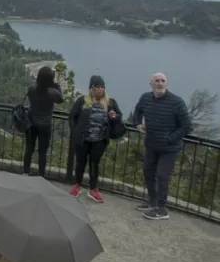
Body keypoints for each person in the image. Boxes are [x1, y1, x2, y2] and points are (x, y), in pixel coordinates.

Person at [132, 72, 192, 220]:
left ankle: (161, 209)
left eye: (163, 80)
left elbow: (186, 126)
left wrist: (170, 139)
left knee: (162, 176)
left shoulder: (176, 102)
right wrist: (138, 124)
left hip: (169, 149)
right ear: (151, 83)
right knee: (148, 172)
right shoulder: (145, 98)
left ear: (166, 83)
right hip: (151, 145)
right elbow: (137, 112)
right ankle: (152, 202)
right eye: (157, 81)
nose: (160, 83)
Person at [68, 75, 123, 202]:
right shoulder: (82, 101)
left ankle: (93, 189)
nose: (100, 89)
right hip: (83, 138)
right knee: (81, 162)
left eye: (102, 87)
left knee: (94, 164)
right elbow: (72, 116)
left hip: (100, 139)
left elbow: (119, 116)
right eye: (97, 87)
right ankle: (77, 185)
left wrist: (114, 116)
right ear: (91, 88)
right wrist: (75, 131)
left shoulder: (110, 103)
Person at [23, 66, 64, 177]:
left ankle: (25, 173)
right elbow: (61, 99)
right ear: (50, 79)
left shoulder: (32, 89)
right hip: (45, 124)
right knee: (42, 151)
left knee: (29, 149)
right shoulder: (51, 92)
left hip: (31, 122)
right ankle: (41, 175)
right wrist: (56, 84)